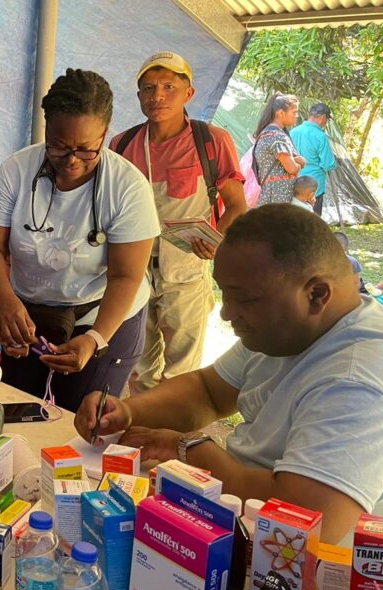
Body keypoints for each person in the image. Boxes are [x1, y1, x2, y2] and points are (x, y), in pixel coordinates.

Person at [74, 204, 383, 544]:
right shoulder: (290, 329)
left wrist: (188, 449)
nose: (226, 313)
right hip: (241, 530)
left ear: (316, 294)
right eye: (225, 293)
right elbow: (207, 391)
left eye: (244, 299)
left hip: (315, 577)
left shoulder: (360, 381)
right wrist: (130, 411)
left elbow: (306, 522)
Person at [0, 68, 160, 411]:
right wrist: (6, 300)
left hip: (104, 314)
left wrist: (95, 338)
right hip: (29, 315)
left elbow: (125, 276)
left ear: (104, 134)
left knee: (81, 421)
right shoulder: (16, 171)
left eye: (86, 149)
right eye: (59, 147)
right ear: (46, 127)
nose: (72, 159)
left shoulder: (128, 187)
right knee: (17, 412)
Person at [111, 52, 247, 393]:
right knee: (137, 365)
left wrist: (215, 239)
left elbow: (236, 206)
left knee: (182, 369)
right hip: (133, 272)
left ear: (189, 93)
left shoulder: (211, 141)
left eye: (170, 86)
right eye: (148, 88)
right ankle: (142, 430)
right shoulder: (122, 145)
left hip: (186, 269)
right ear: (139, 95)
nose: (158, 96)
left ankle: (171, 439)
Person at [253, 93, 306, 207]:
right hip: (278, 196)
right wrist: (301, 162)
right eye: (294, 112)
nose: (296, 115)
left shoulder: (268, 133)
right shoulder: (277, 137)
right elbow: (291, 168)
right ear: (280, 113)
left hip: (269, 195)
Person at [289, 102, 338, 217]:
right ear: (322, 118)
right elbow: (327, 164)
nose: (326, 122)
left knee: (295, 217)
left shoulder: (293, 132)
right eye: (327, 120)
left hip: (294, 181)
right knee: (313, 219)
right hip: (313, 186)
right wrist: (333, 161)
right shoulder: (320, 136)